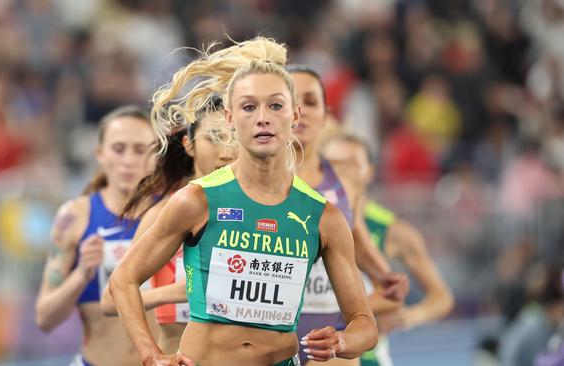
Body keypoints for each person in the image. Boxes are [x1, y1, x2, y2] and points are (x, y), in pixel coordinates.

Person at [108, 37, 378, 366]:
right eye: (249, 107)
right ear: (230, 118)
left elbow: (365, 324)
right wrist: (151, 356)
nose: (262, 118)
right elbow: (123, 280)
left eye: (275, 106)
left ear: (294, 116)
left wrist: (343, 340)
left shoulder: (323, 217)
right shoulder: (197, 200)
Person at [287, 65, 408, 366]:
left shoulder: (345, 179)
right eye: (291, 102)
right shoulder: (251, 177)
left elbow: (357, 241)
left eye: (311, 102)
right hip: (267, 329)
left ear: (326, 113)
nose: (301, 112)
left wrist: (384, 279)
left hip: (328, 334)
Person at [101, 95, 237, 355]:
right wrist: (177, 292)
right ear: (189, 144)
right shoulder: (164, 214)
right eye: (214, 138)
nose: (227, 151)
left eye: (234, 137)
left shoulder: (258, 213)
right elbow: (110, 300)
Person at [35, 106, 157, 366]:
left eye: (139, 150)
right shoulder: (75, 217)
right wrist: (81, 274)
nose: (128, 160)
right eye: (118, 148)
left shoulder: (174, 213)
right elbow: (44, 317)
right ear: (100, 154)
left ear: (156, 155)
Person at [324, 134, 455, 366]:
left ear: (369, 171)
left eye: (351, 164)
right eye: (332, 164)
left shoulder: (392, 231)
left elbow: (442, 297)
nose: (340, 173)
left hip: (367, 355)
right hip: (317, 351)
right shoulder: (309, 219)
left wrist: (410, 316)